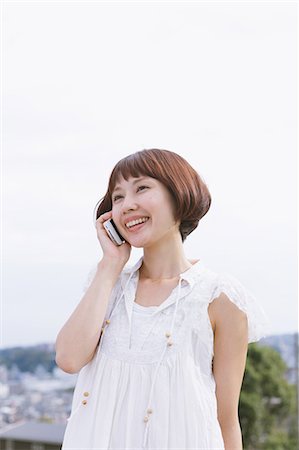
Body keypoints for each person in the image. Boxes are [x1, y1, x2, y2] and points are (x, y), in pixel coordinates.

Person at [56, 148, 269, 450]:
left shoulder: (220, 297)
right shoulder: (109, 283)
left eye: (141, 188)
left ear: (179, 195)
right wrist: (110, 264)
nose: (127, 204)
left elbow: (225, 418)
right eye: (117, 197)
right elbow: (68, 359)